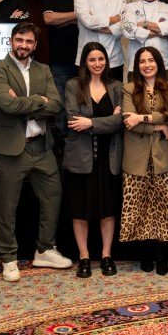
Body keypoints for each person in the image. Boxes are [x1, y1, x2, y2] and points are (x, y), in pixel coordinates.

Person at [0, 22, 72, 282]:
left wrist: (25, 103)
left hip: (41, 145)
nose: (23, 45)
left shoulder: (43, 69)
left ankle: (45, 249)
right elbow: (7, 105)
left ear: (35, 45)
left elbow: (56, 105)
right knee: (7, 205)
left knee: (53, 196)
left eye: (29, 41)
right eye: (19, 40)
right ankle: (9, 258)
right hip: (11, 148)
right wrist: (39, 100)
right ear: (11, 41)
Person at [63, 42, 124, 278]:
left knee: (108, 209)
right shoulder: (73, 85)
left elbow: (120, 121)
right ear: (84, 62)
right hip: (80, 157)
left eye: (101, 59)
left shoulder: (116, 86)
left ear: (106, 61)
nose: (97, 64)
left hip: (109, 157)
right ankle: (84, 256)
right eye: (92, 60)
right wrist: (108, 121)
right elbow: (72, 119)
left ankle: (107, 255)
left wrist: (89, 122)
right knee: (80, 210)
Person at [120, 46, 168, 274]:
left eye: (151, 60)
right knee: (140, 207)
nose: (147, 65)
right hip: (137, 157)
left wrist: (143, 118)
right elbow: (129, 122)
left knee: (164, 206)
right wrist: (159, 126)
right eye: (142, 61)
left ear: (158, 63)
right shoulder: (128, 89)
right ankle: (145, 255)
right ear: (137, 66)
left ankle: (162, 256)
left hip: (164, 157)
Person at [42, 0, 81, 151]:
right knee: (61, 106)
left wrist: (63, 19)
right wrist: (79, 15)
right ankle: (66, 145)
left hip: (87, 62)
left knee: (85, 103)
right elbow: (49, 19)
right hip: (60, 62)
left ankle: (82, 143)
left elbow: (96, 20)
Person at [74, 0, 127, 81]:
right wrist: (113, 19)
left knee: (115, 93)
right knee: (87, 93)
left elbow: (125, 25)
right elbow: (88, 21)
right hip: (88, 59)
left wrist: (96, 26)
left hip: (114, 59)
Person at [122, 0, 168, 80]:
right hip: (136, 67)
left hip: (164, 66)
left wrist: (144, 24)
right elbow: (127, 31)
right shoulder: (129, 8)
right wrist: (160, 32)